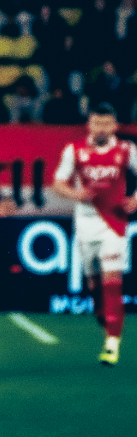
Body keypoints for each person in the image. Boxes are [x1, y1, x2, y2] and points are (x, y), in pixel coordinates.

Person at [50, 102, 137, 365]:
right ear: (89, 124)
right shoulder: (74, 150)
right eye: (97, 123)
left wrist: (135, 199)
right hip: (86, 224)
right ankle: (105, 321)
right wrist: (76, 194)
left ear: (114, 126)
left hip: (114, 224)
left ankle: (112, 344)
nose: (101, 128)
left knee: (113, 280)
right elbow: (57, 183)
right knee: (95, 287)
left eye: (106, 123)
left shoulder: (126, 150)